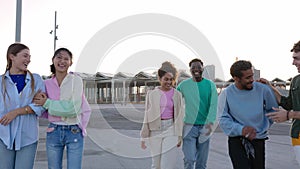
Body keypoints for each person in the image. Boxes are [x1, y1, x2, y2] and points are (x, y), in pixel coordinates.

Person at [33, 48, 91, 169]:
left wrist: (47, 103)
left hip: (74, 130)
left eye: (66, 59)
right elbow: (40, 105)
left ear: (70, 63)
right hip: (53, 130)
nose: (62, 61)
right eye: (59, 57)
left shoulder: (76, 80)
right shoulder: (46, 83)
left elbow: (73, 109)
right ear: (53, 60)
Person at [218, 60, 278, 169]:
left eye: (252, 76)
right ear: (236, 78)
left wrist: (262, 126)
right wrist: (241, 129)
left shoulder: (263, 89)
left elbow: (273, 110)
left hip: (258, 139)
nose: (252, 80)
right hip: (237, 140)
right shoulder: (226, 94)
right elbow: (222, 119)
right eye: (247, 78)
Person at [0, 43, 45, 169]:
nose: (28, 60)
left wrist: (16, 112)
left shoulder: (36, 80)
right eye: (25, 56)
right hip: (3, 137)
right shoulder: (1, 82)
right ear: (12, 57)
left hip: (27, 137)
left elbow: (41, 106)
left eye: (29, 57)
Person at [262, 40, 300, 165]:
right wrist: (271, 87)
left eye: (297, 59)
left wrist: (289, 115)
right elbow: (288, 104)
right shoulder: (295, 81)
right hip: (297, 136)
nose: (293, 62)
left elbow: (289, 111)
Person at [140, 61, 184, 169]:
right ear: (160, 79)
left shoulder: (178, 95)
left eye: (171, 79)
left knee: (167, 165)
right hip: (154, 131)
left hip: (171, 130)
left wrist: (179, 136)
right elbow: (147, 116)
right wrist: (143, 136)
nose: (169, 82)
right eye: (166, 79)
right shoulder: (151, 94)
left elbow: (180, 116)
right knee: (156, 165)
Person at [176, 58, 218, 169]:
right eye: (193, 67)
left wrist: (210, 123)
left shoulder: (210, 85)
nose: (196, 69)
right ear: (190, 69)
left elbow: (213, 105)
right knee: (189, 159)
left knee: (201, 163)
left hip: (205, 127)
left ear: (202, 68)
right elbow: (173, 97)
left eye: (199, 67)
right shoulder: (183, 85)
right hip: (189, 127)